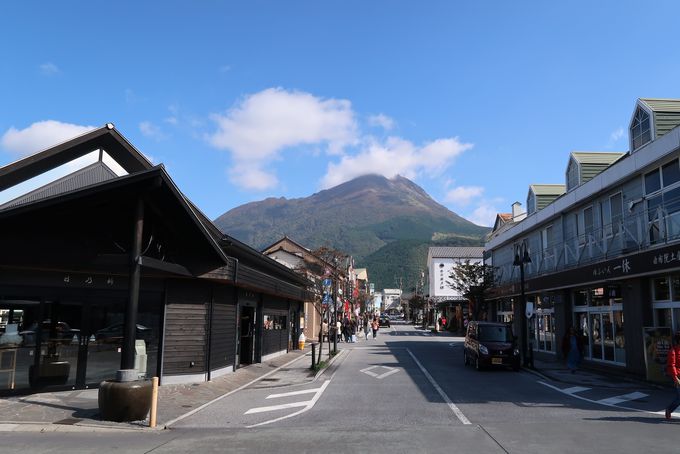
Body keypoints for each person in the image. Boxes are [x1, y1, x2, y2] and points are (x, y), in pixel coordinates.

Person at [665, 331, 680, 419]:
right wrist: (676, 378)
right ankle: (669, 410)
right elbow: (671, 365)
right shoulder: (673, 351)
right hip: (677, 376)